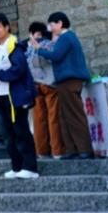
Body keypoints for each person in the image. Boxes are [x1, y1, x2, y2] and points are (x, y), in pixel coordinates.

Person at [30, 12, 93, 159]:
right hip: (65, 81)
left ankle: (84, 148)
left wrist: (39, 48)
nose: (50, 28)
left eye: (52, 25)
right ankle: (71, 150)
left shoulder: (66, 37)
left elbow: (56, 55)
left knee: (74, 115)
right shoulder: (67, 37)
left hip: (69, 81)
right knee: (65, 116)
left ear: (59, 23)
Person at [0, 14, 38, 179]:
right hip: (1, 96)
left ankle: (30, 168)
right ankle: (17, 167)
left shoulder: (13, 45)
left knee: (21, 131)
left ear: (7, 27)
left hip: (14, 97)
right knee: (8, 134)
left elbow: (19, 69)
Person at [24, 21, 64, 159]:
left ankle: (41, 151)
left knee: (39, 119)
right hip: (50, 84)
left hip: (35, 85)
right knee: (53, 118)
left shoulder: (28, 47)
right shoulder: (49, 44)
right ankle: (57, 151)